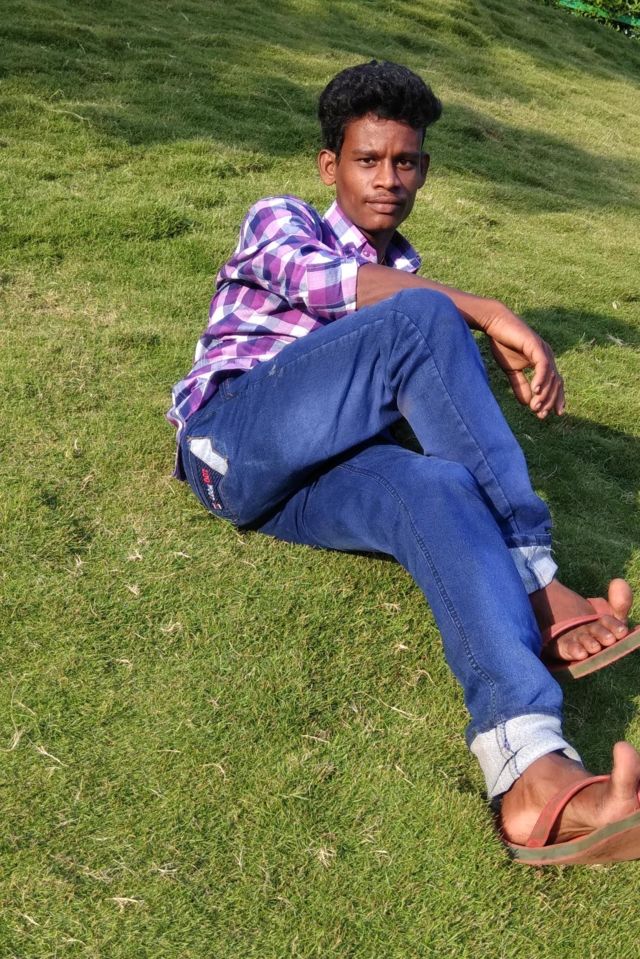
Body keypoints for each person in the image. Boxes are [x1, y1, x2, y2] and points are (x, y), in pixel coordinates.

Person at [167, 60, 640, 864]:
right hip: (231, 445)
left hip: (320, 481)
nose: (388, 179)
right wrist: (485, 312)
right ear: (330, 166)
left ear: (425, 168)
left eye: (406, 161)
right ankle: (535, 578)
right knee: (421, 316)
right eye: (367, 160)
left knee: (440, 485)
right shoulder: (284, 220)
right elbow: (328, 286)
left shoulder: (413, 290)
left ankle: (529, 767)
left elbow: (436, 417)